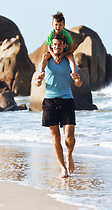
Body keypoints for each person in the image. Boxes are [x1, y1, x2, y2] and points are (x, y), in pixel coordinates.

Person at [35, 32, 82, 178]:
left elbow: (79, 83)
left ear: (63, 46)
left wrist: (77, 80)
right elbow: (37, 82)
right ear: (51, 46)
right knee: (55, 137)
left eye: (59, 45)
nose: (57, 47)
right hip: (50, 101)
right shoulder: (46, 59)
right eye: (54, 44)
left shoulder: (68, 60)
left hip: (67, 100)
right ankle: (63, 168)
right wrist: (39, 79)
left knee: (69, 136)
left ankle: (69, 155)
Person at [39, 11, 77, 76]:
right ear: (52, 24)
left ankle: (74, 72)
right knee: (45, 56)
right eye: (56, 24)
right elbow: (48, 47)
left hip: (64, 51)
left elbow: (71, 48)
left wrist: (62, 55)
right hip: (54, 51)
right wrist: (53, 55)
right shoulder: (51, 34)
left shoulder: (66, 34)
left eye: (60, 25)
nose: (58, 27)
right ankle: (41, 72)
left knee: (71, 57)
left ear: (64, 25)